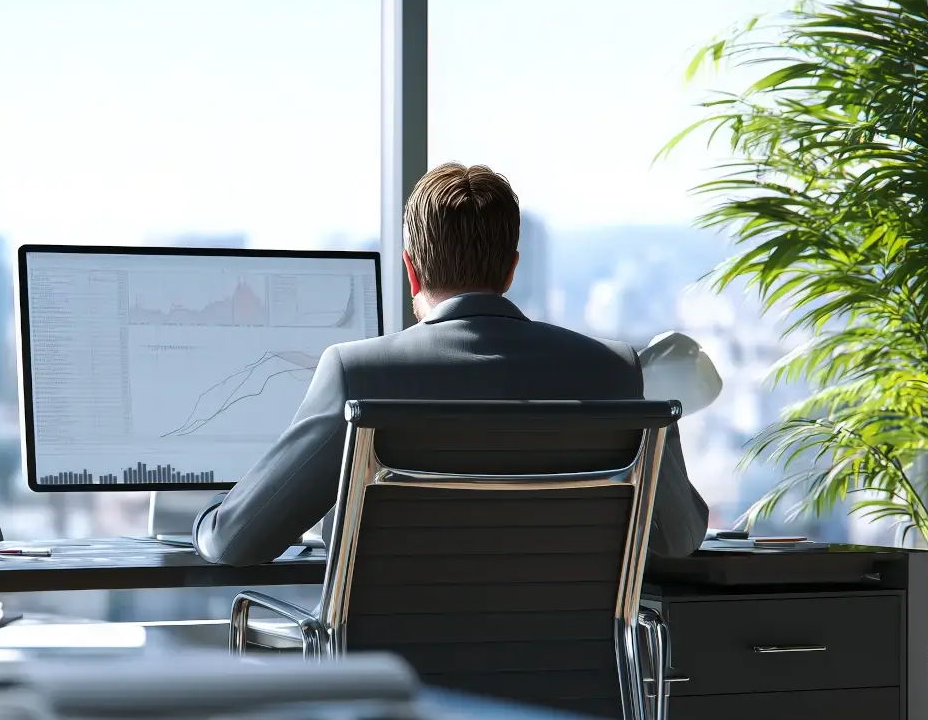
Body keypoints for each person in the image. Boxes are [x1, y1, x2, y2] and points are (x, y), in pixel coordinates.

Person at [192, 162, 709, 567]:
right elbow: (680, 538)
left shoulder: (358, 374)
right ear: (511, 269)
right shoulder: (613, 372)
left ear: (411, 272)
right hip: (569, 689)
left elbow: (236, 541)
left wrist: (204, 518)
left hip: (400, 689)